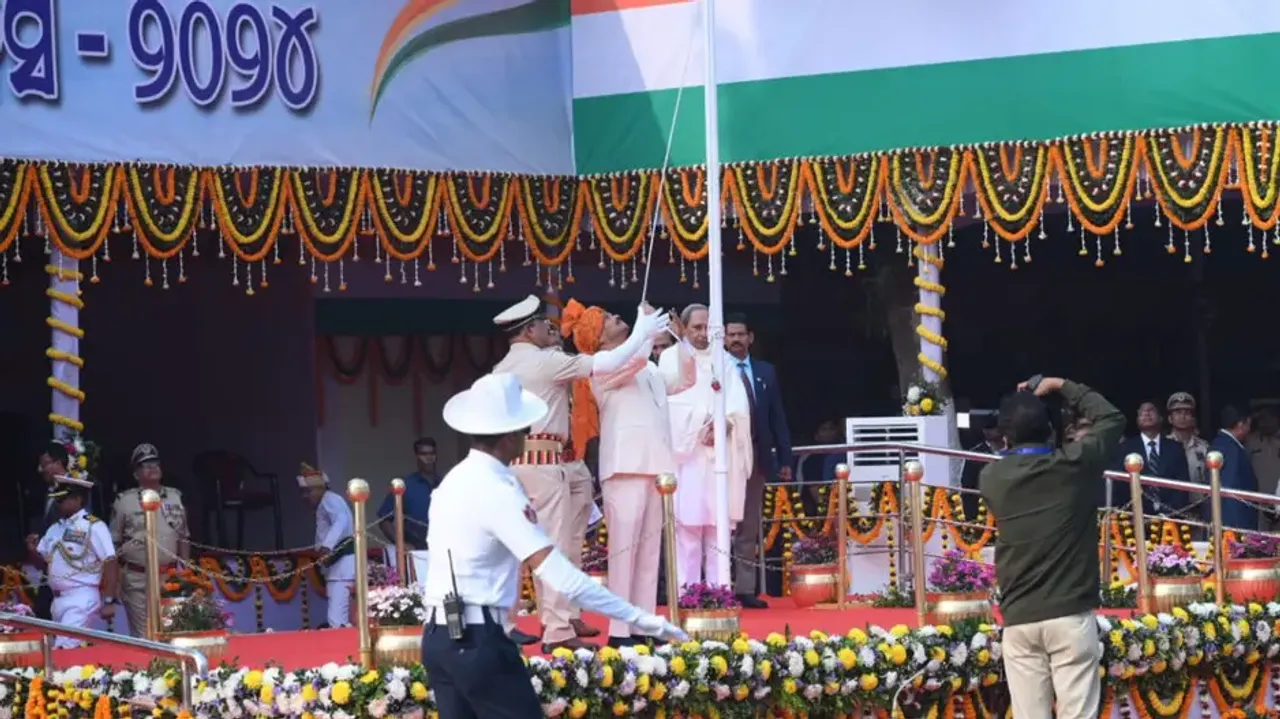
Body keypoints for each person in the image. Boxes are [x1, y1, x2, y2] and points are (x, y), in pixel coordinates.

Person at [421, 373, 687, 719]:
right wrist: (641, 619)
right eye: (524, 428)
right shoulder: (497, 488)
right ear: (510, 436)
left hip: (439, 637)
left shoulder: (452, 480)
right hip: (477, 638)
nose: (530, 436)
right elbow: (561, 577)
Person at [491, 294, 668, 652]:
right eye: (543, 325)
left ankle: (520, 622)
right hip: (544, 461)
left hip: (526, 462)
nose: (550, 329)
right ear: (529, 330)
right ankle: (557, 631)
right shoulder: (545, 362)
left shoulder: (502, 368)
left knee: (528, 548)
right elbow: (608, 362)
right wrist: (643, 333)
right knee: (553, 549)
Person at [979, 376, 1124, 719]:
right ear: (1051, 428)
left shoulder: (991, 478)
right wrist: (1060, 384)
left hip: (1019, 620)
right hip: (1069, 615)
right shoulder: (1075, 465)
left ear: (1004, 435)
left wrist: (1018, 411)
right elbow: (1112, 418)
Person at [561, 299, 694, 647]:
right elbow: (633, 360)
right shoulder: (601, 368)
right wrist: (644, 326)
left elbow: (682, 380)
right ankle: (620, 630)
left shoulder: (645, 364)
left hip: (655, 464)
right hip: (624, 465)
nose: (616, 316)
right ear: (598, 339)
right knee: (625, 551)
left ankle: (643, 625)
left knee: (649, 552)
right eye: (608, 319)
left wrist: (682, 341)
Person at [659, 304, 753, 588]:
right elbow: (669, 405)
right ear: (684, 329)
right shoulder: (669, 358)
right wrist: (703, 422)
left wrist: (725, 423)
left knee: (717, 531)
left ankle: (718, 594)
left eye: (707, 328)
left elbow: (740, 407)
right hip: (687, 457)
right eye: (696, 328)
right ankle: (687, 595)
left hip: (719, 457)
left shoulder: (722, 360)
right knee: (687, 530)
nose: (702, 334)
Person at [723, 313, 792, 608]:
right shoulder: (715, 369)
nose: (736, 339)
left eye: (741, 334)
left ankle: (745, 588)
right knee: (715, 524)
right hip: (721, 459)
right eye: (731, 335)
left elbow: (777, 416)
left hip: (755, 458)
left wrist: (784, 457)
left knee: (749, 525)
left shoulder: (766, 372)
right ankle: (714, 587)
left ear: (750, 338)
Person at [28, 475, 119, 648]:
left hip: (81, 596)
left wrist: (109, 600)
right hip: (57, 600)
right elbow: (42, 565)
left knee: (65, 648)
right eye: (57, 499)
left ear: (78, 499)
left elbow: (110, 561)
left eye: (62, 499)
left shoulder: (93, 526)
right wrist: (32, 551)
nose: (58, 503)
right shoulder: (55, 528)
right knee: (68, 653)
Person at [110, 443, 190, 637]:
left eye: (155, 463)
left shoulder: (174, 497)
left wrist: (185, 571)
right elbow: (114, 543)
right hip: (137, 579)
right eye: (145, 465)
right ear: (136, 474)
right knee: (144, 636)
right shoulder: (124, 501)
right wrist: (114, 583)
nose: (152, 467)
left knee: (174, 634)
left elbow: (184, 536)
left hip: (169, 577)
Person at [298, 463, 356, 629]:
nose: (306, 496)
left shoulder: (330, 500)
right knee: (340, 617)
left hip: (341, 566)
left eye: (308, 491)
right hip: (339, 566)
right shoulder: (329, 500)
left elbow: (340, 521)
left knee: (337, 620)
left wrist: (327, 547)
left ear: (319, 488)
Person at [1112, 402, 1192, 516]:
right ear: (1137, 420)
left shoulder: (1175, 448)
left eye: (1151, 410)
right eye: (1142, 412)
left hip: (1171, 519)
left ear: (1160, 418)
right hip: (1134, 518)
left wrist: (1167, 513)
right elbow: (1119, 486)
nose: (1147, 413)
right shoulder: (1125, 448)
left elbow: (1182, 485)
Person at [377, 437, 442, 551]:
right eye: (423, 454)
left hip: (444, 548)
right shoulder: (405, 485)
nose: (429, 458)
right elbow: (384, 520)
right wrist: (401, 543)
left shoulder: (445, 484)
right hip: (416, 551)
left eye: (432, 453)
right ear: (417, 457)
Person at [1210, 405, 1258, 532]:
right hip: (1233, 525)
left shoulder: (1221, 444)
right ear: (1242, 424)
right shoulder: (1231, 450)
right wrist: (1236, 532)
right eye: (1249, 424)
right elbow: (1231, 491)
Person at [959, 414, 1005, 522]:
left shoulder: (1012, 449)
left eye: (998, 428)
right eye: (991, 428)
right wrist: (972, 519)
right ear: (984, 431)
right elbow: (967, 486)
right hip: (983, 510)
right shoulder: (976, 454)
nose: (996, 431)